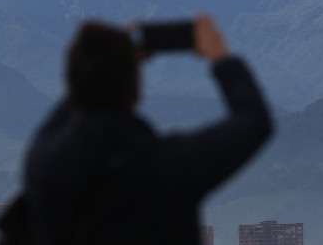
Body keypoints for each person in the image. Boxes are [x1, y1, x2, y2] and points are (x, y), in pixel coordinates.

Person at [20, 14, 273, 244]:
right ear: (134, 86)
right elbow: (254, 120)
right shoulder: (165, 167)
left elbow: (83, 97)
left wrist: (105, 67)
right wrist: (220, 58)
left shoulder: (44, 162)